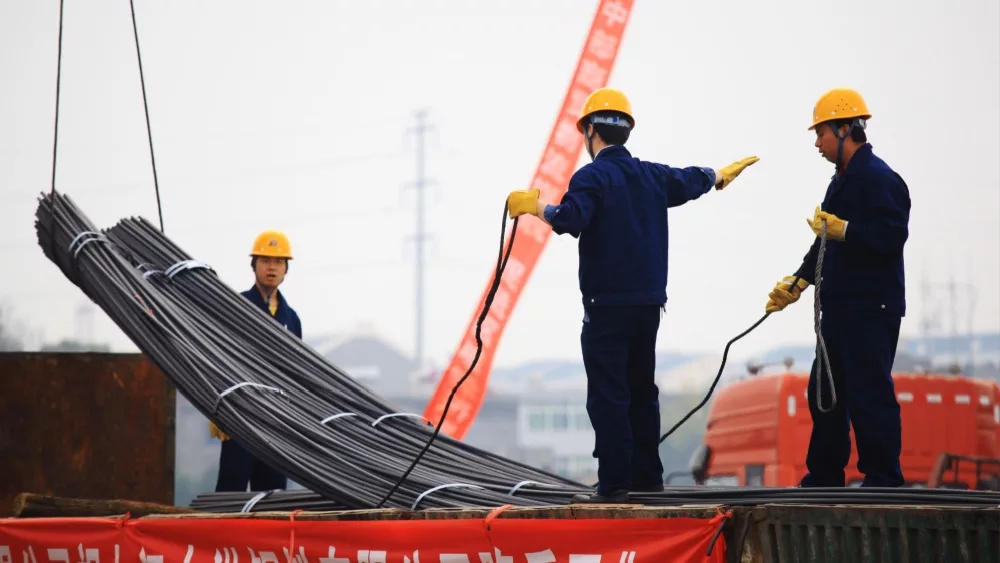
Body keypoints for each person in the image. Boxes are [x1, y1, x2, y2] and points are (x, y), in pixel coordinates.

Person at [506, 88, 759, 503]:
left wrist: (538, 208)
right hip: (647, 307)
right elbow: (689, 180)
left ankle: (614, 485)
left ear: (590, 130)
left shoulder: (591, 177)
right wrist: (715, 175)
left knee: (609, 396)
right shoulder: (651, 176)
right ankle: (647, 479)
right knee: (642, 393)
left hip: (606, 308)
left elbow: (571, 219)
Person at [765, 88, 911, 488]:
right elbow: (825, 243)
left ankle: (883, 478)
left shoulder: (879, 178)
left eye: (821, 133)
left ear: (846, 129)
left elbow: (891, 234)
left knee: (868, 394)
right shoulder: (842, 181)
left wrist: (847, 230)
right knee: (824, 394)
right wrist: (799, 281)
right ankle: (826, 475)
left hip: (870, 309)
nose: (817, 143)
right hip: (840, 310)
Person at [210, 229, 303, 492]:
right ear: (254, 265)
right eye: (265, 260)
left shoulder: (291, 319)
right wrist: (215, 409)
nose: (271, 267)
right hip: (240, 416)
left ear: (286, 269)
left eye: (278, 262)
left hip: (276, 422)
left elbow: (297, 374)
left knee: (272, 496)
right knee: (231, 494)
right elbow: (217, 357)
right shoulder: (235, 307)